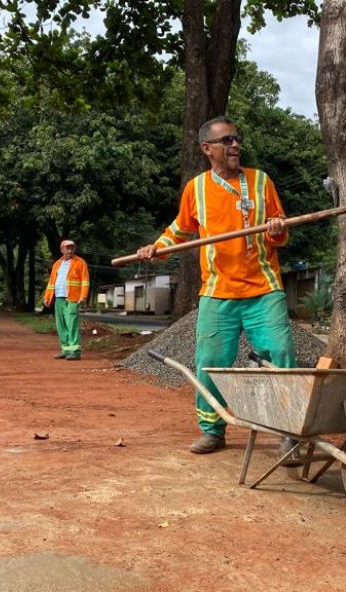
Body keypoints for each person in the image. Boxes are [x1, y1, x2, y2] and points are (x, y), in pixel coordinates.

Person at [137, 116, 298, 455]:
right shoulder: (195, 189)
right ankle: (213, 430)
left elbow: (281, 232)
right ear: (207, 149)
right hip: (217, 291)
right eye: (227, 140)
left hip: (263, 289)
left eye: (237, 139)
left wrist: (276, 228)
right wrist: (157, 247)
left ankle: (289, 431)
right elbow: (179, 230)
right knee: (210, 361)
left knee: (280, 354)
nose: (235, 145)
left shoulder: (260, 182)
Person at [43, 239, 90, 361]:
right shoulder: (57, 264)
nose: (70, 250)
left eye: (72, 247)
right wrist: (47, 297)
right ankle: (65, 349)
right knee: (61, 325)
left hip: (72, 298)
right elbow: (51, 283)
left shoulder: (80, 263)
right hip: (58, 298)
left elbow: (85, 281)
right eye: (67, 248)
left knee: (72, 324)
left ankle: (75, 351)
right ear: (62, 249)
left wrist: (83, 296)